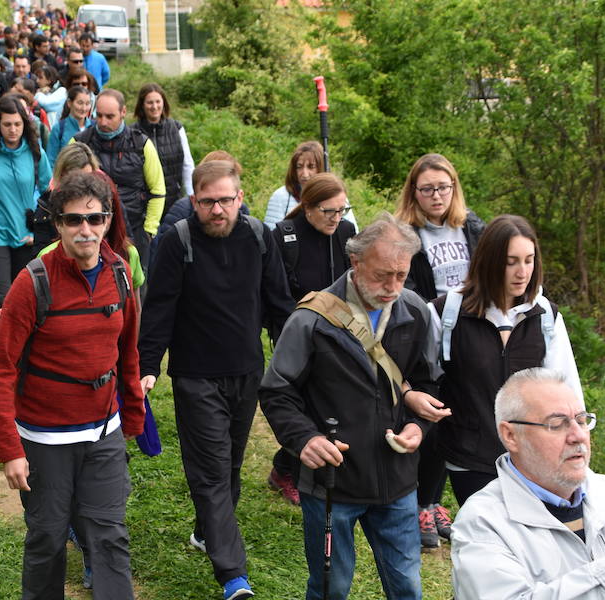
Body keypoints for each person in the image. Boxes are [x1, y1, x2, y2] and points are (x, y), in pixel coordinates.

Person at [259, 211, 443, 600]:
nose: (392, 286)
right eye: (382, 275)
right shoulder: (312, 319)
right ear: (355, 262)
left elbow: (426, 382)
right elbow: (277, 390)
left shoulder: (415, 311)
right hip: (331, 483)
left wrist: (417, 427)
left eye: (401, 275)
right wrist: (304, 439)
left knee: (408, 586)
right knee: (332, 587)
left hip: (398, 482)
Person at [139, 160, 294, 600]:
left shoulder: (260, 239)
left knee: (228, 466)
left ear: (240, 199)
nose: (218, 210)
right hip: (195, 377)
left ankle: (206, 531)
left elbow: (279, 306)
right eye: (208, 202)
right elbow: (159, 310)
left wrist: (296, 364)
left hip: (246, 372)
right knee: (210, 473)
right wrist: (147, 366)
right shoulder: (177, 242)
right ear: (194, 202)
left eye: (226, 200)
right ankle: (233, 575)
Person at [0, 171, 144, 600]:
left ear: (108, 221)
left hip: (103, 432)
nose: (85, 230)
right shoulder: (32, 282)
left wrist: (132, 414)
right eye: (73, 220)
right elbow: (1, 370)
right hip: (44, 438)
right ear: (57, 224)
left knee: (109, 535)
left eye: (95, 219)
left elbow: (127, 351)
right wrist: (10, 450)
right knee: (48, 538)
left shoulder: (120, 274)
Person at [452, 367, 605, 599]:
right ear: (511, 436)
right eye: (557, 424)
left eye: (581, 420)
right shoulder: (483, 522)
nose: (577, 435)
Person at [428, 214, 582, 508]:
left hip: (534, 459)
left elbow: (568, 393)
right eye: (511, 261)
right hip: (470, 461)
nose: (522, 272)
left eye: (528, 260)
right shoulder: (445, 314)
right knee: (487, 544)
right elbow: (424, 382)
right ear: (488, 261)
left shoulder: (546, 316)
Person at [395, 152, 485, 548]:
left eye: (443, 188)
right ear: (414, 192)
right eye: (428, 188)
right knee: (430, 420)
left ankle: (432, 502)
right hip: (427, 340)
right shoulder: (405, 234)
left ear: (454, 189)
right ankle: (417, 504)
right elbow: (405, 290)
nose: (437, 196)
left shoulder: (472, 228)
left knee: (458, 420)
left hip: (468, 338)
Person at [266, 172, 356, 506]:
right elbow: (275, 292)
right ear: (308, 208)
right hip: (296, 334)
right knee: (300, 404)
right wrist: (300, 328)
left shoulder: (346, 233)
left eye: (341, 210)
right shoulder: (285, 236)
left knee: (328, 402)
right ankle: (288, 470)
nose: (336, 218)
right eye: (328, 211)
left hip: (339, 333)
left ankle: (284, 465)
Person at [0, 95, 51, 329]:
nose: (13, 129)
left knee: (26, 302)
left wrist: (40, 233)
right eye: (7, 124)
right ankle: (2, 361)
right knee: (2, 304)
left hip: (26, 237)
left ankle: (23, 360)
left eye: (17, 124)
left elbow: (49, 194)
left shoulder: (37, 154)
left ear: (25, 124)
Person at [75, 89, 165, 264]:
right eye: (98, 116)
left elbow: (157, 189)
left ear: (123, 112)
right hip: (91, 230)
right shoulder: (80, 143)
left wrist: (149, 230)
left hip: (135, 229)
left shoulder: (142, 144)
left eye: (110, 116)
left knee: (136, 284)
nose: (102, 122)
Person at [263, 141, 358, 230]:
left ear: (321, 167)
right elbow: (271, 239)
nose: (304, 174)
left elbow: (352, 235)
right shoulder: (281, 196)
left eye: (311, 167)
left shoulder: (337, 196)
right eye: (299, 167)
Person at [132, 83, 195, 216]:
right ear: (142, 105)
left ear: (164, 103)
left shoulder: (176, 128)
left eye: (157, 102)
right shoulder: (132, 132)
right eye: (149, 102)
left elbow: (187, 166)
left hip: (173, 203)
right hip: (145, 206)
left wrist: (191, 197)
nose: (154, 107)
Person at [46, 85, 93, 167]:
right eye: (80, 103)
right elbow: (51, 160)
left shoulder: (94, 127)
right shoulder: (59, 129)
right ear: (69, 103)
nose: (84, 108)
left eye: (87, 104)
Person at [33, 64, 67, 128]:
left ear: (49, 80)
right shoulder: (42, 92)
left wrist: (38, 93)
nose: (37, 81)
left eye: (40, 78)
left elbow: (47, 104)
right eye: (37, 77)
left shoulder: (62, 91)